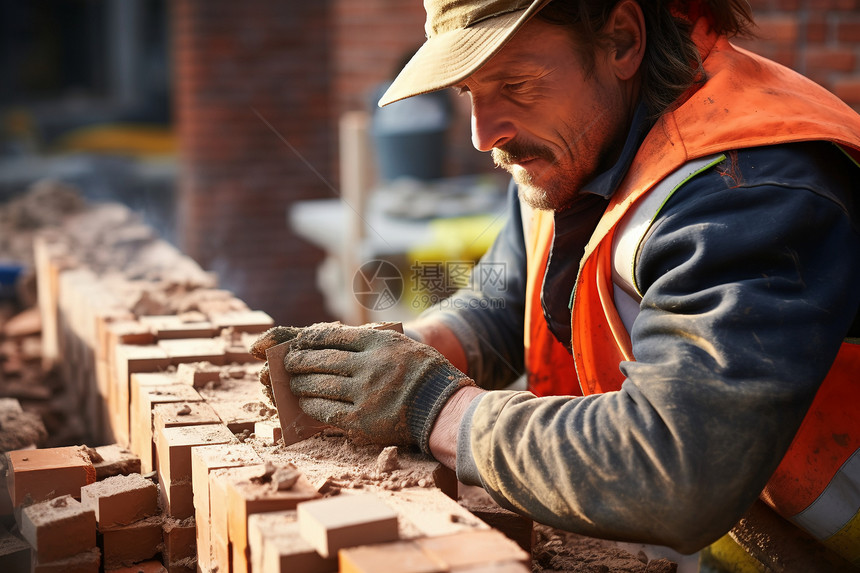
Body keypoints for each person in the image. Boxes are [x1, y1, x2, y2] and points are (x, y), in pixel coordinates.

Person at [253, 0, 860, 569]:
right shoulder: (581, 140)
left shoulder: (747, 193)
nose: (482, 133)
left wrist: (432, 407)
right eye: (470, 92)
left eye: (515, 84)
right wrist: (403, 357)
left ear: (621, 39)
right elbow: (506, 299)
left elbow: (674, 469)